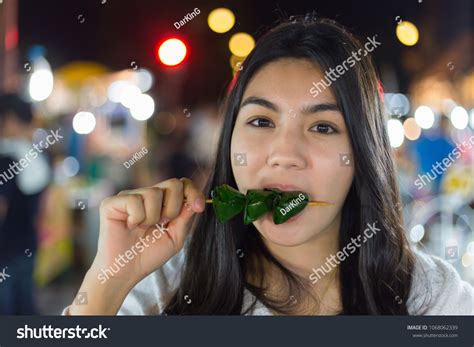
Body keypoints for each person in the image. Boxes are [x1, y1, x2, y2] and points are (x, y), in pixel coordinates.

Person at [65, 15, 473, 316]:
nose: (285, 153)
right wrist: (108, 280)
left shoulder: (434, 299)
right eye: (261, 121)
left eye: (323, 126)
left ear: (363, 153)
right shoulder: (165, 284)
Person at [0, 93, 50, 314]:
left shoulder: (7, 157)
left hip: (6, 250)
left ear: (9, 119)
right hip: (27, 244)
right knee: (25, 308)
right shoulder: (36, 156)